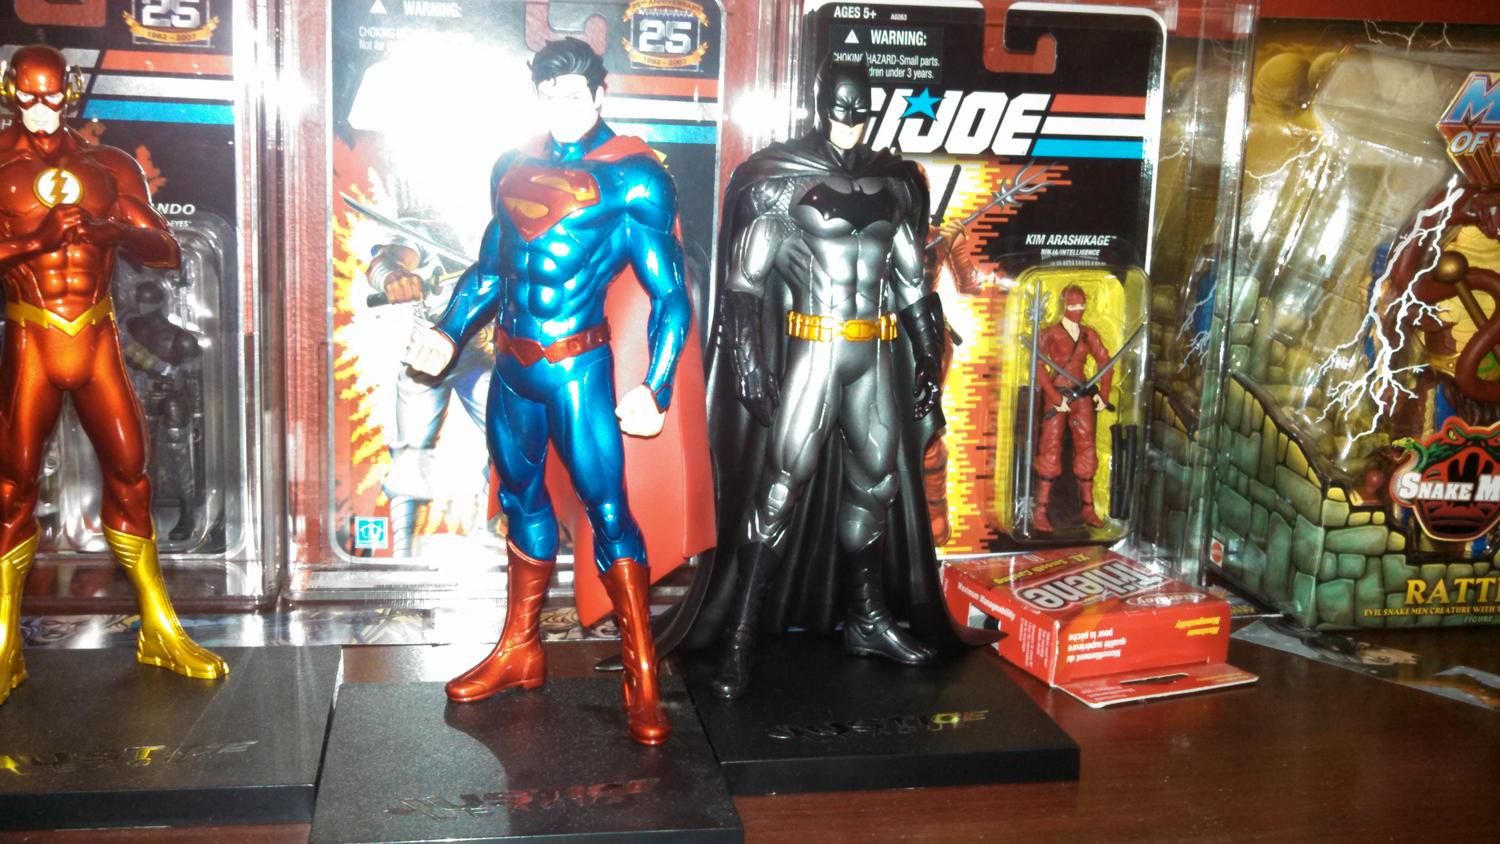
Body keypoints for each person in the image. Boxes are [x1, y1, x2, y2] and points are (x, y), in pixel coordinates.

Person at [404, 38, 710, 745]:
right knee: (520, 500)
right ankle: (520, 650)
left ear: (600, 94)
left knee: (609, 511)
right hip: (513, 368)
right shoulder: (512, 165)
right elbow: (491, 268)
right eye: (550, 95)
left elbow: (670, 294)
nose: (563, 107)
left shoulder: (633, 178)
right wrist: (448, 329)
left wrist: (656, 385)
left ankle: (642, 674)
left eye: (575, 94)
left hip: (578, 369)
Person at [682, 58, 951, 700]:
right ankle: (739, 638)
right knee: (780, 490)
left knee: (877, 485)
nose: (850, 122)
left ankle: (867, 621)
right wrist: (748, 363)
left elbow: (912, 283)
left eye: (860, 111)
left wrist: (928, 356)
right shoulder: (781, 180)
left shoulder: (895, 185)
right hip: (816, 350)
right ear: (820, 103)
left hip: (873, 356)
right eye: (840, 108)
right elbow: (744, 284)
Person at [0, 45, 227, 704]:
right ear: (10, 91)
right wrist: (38, 241)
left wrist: (110, 231)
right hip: (31, 336)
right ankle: (6, 642)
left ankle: (159, 629)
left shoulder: (110, 165)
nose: (40, 108)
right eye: (27, 94)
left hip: (96, 335)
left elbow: (167, 250)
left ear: (69, 93)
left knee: (132, 473)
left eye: (51, 95)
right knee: (13, 488)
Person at [1033, 284, 1113, 532]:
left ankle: (1088, 508)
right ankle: (1040, 510)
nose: (1078, 310)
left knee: (1087, 448)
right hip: (1058, 393)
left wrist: (1104, 395)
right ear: (1064, 306)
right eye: (1073, 305)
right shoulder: (1050, 334)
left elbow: (1105, 362)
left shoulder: (1088, 334)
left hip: (1082, 395)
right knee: (1050, 448)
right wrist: (1055, 397)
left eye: (1081, 305)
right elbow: (1037, 367)